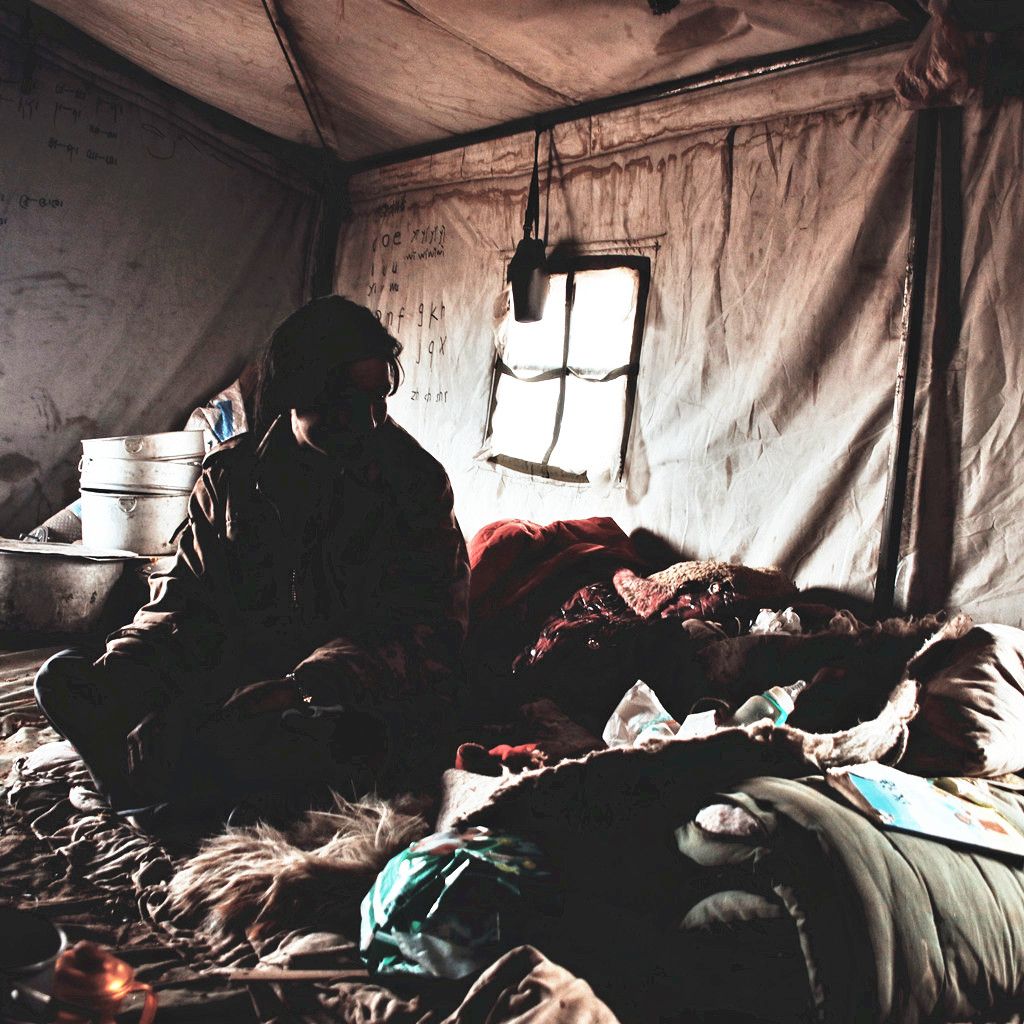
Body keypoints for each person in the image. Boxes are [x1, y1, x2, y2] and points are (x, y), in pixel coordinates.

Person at [34, 296, 470, 827]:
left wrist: (301, 684)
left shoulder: (414, 483)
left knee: (292, 742)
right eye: (345, 402)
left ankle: (152, 789)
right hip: (239, 678)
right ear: (295, 394)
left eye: (377, 398)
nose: (369, 420)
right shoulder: (231, 478)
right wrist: (133, 668)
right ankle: (152, 789)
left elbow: (429, 633)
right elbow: (183, 599)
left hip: (339, 695)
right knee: (65, 679)